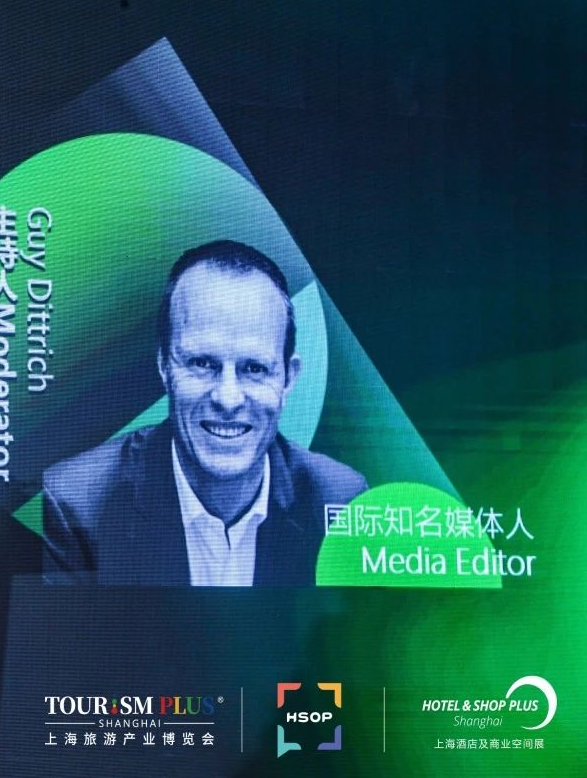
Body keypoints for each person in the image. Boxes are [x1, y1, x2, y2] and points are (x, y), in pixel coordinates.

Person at [41, 240, 366, 586]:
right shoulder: (76, 504)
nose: (228, 398)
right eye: (201, 363)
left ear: (288, 379)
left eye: (254, 368)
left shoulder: (341, 503)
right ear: (164, 366)